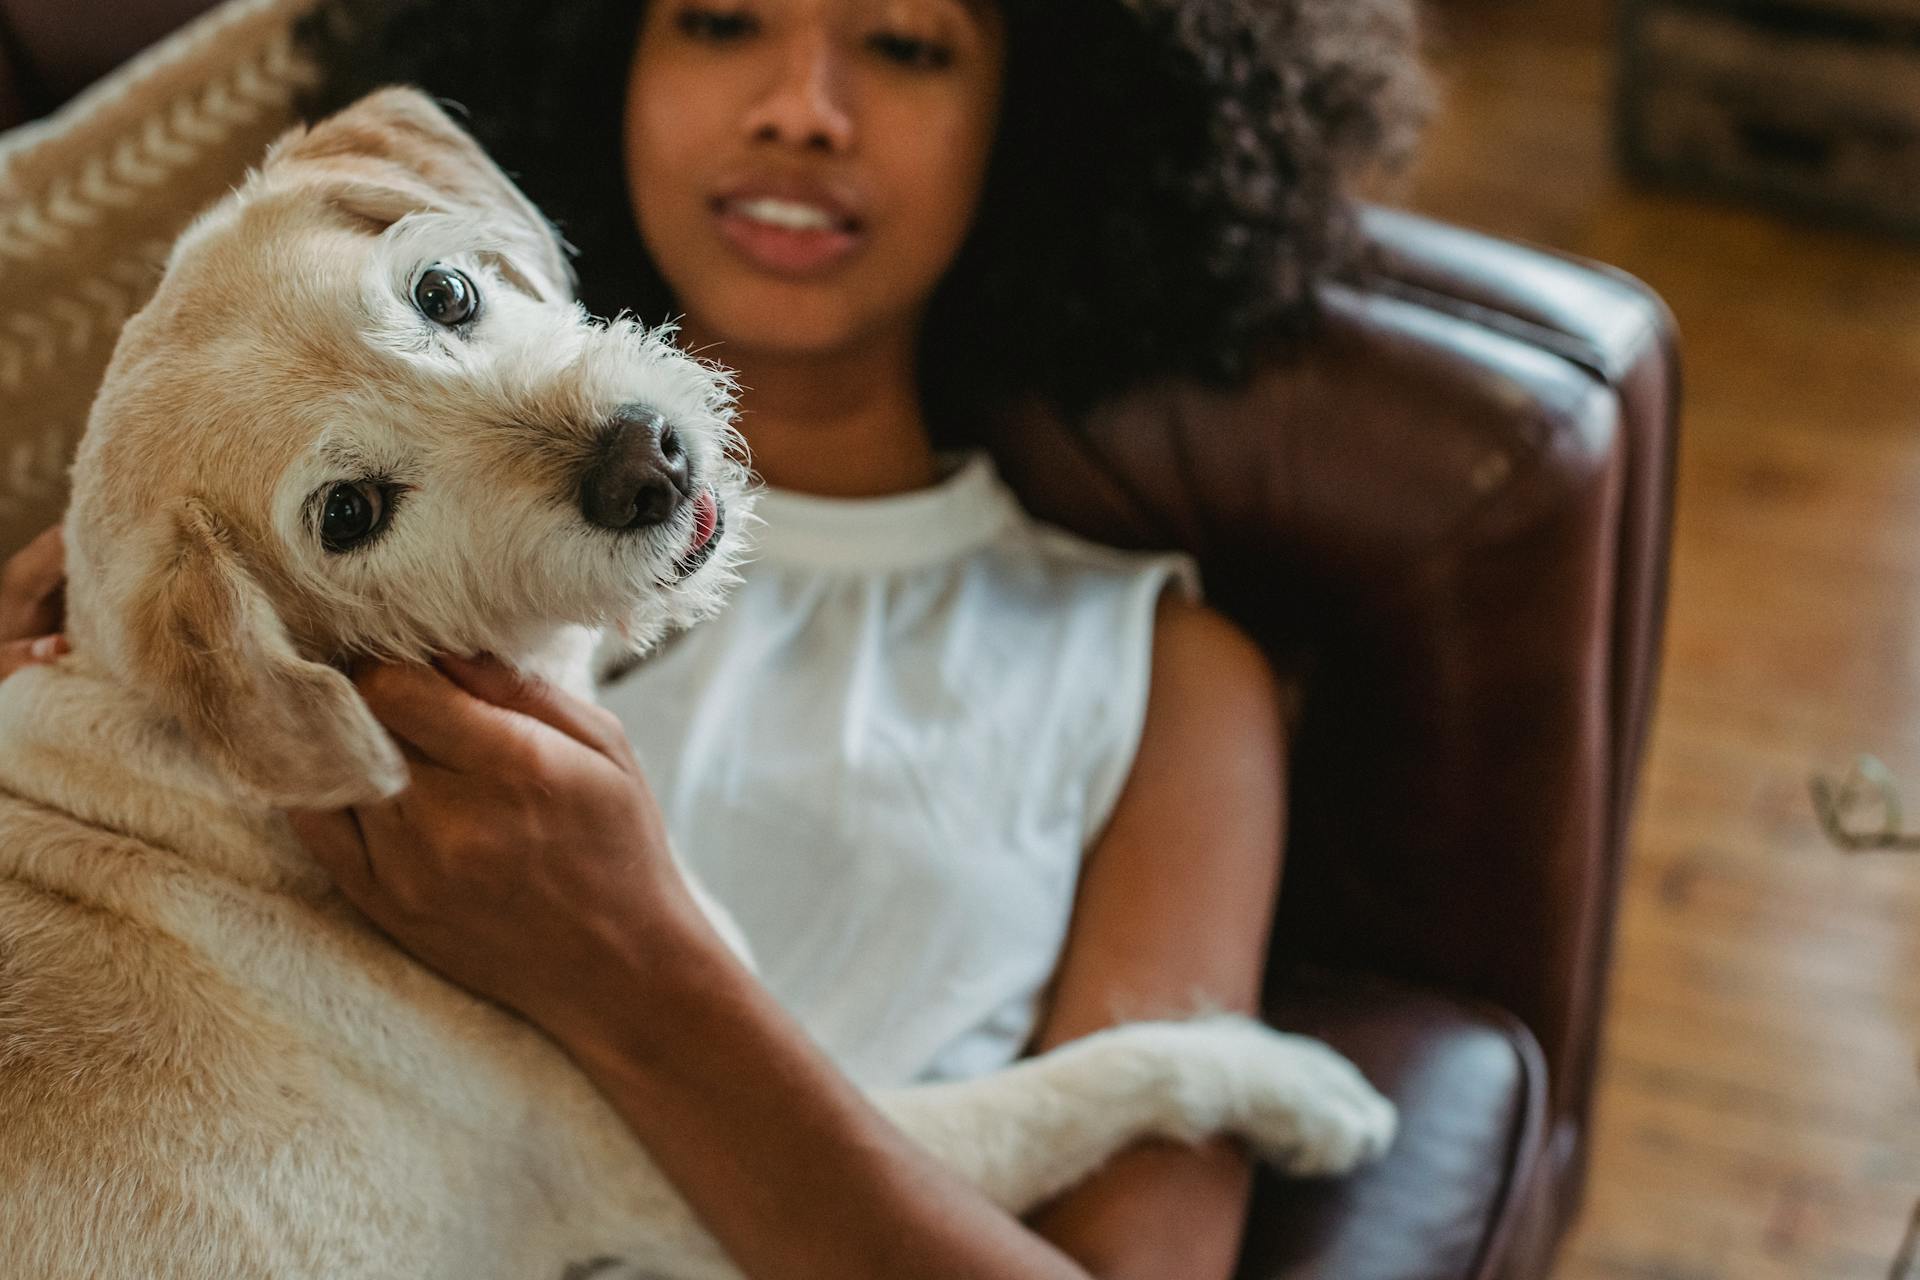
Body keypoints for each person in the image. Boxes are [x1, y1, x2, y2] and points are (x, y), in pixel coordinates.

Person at [0, 1, 1424, 1275]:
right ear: (607, 58)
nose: (801, 103)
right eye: (722, 20)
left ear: (1041, 105)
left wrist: (630, 962)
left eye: (907, 43)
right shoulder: (289, 622)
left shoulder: (1152, 668)